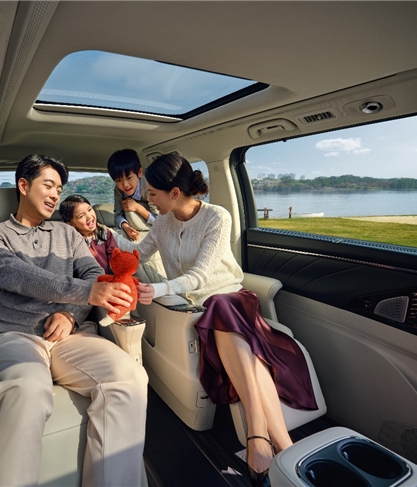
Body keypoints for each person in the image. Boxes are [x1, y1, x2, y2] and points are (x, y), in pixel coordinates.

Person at [116, 152, 318, 487]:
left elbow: (199, 276)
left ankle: (257, 434)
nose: (147, 200)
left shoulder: (217, 217)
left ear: (174, 193)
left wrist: (160, 288)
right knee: (251, 358)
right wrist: (99, 240)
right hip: (201, 308)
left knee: (221, 306)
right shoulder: (162, 222)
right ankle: (283, 444)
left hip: (232, 299)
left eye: (152, 193)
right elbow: (137, 254)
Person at [0, 154, 149, 487]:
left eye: (59, 189)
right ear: (24, 186)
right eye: (48, 185)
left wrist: (70, 313)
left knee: (130, 377)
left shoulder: (68, 234)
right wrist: (86, 294)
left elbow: (93, 273)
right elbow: (20, 276)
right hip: (12, 335)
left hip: (71, 335)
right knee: (27, 389)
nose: (55, 194)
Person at [107, 148, 158, 241]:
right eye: (118, 180)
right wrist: (126, 227)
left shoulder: (149, 187)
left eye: (129, 178)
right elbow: (117, 213)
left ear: (140, 173)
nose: (125, 185)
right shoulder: (118, 189)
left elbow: (160, 220)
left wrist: (137, 207)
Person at [59, 194, 118, 273]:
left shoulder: (104, 233)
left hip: (106, 277)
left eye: (89, 210)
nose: (89, 216)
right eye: (81, 216)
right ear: (71, 224)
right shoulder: (72, 242)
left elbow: (114, 256)